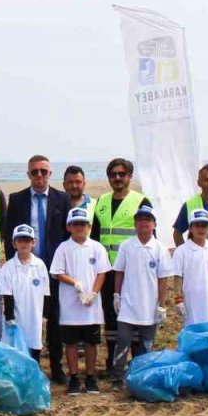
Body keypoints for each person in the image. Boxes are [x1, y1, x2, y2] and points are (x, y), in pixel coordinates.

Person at [2, 155, 70, 381]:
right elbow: (8, 233)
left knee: (54, 318)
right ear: (28, 174)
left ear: (50, 174)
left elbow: (67, 234)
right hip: (24, 267)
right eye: (34, 172)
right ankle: (25, 363)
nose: (39, 175)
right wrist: (14, 265)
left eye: (43, 171)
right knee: (25, 316)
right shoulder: (17, 199)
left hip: (53, 269)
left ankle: (56, 367)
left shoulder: (63, 199)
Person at [90, 157, 153, 380]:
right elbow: (95, 237)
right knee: (111, 317)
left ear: (129, 177)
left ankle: (137, 361)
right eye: (113, 174)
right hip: (107, 270)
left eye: (121, 174)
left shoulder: (141, 200)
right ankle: (113, 363)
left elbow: (149, 237)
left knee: (135, 316)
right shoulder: (102, 202)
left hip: (132, 272)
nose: (117, 178)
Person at [51, 206, 110, 395]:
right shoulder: (63, 248)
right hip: (70, 305)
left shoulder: (97, 247)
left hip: (91, 305)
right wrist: (74, 282)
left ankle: (91, 377)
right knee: (71, 343)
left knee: (92, 342)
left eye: (83, 224)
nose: (79, 227)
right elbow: (57, 272)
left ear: (89, 226)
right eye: (75, 224)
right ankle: (74, 377)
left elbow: (102, 272)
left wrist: (93, 292)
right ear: (69, 227)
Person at [111, 205, 173, 381]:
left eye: (148, 219)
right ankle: (117, 375)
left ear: (154, 224)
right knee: (123, 340)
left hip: (149, 305)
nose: (143, 223)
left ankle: (139, 375)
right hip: (128, 304)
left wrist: (162, 305)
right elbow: (119, 272)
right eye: (140, 220)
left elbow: (163, 279)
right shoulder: (126, 246)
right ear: (135, 224)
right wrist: (117, 294)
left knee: (147, 343)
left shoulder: (160, 248)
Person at [171, 208, 208, 328]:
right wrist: (178, 299)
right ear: (191, 228)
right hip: (192, 302)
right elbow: (178, 277)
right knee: (194, 332)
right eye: (197, 225)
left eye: (204, 225)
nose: (201, 229)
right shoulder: (182, 251)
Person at [0, 224, 51, 361]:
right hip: (16, 318)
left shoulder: (40, 265)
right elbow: (7, 293)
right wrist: (9, 316)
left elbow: (45, 292)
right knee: (14, 351)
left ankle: (33, 375)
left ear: (33, 243)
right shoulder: (8, 267)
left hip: (34, 315)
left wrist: (45, 314)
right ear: (14, 243)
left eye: (27, 240)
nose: (23, 244)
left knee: (34, 344)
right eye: (20, 240)